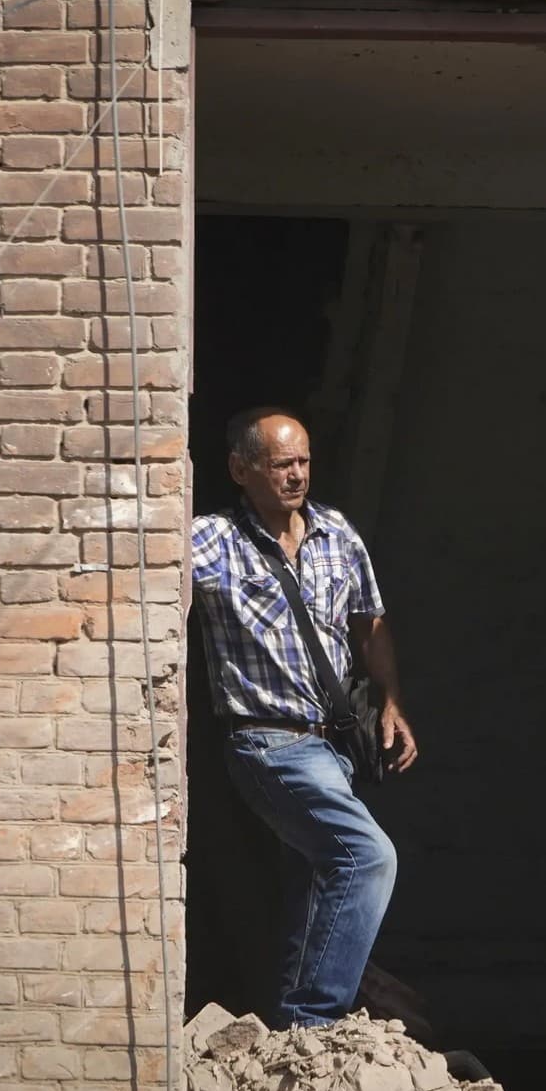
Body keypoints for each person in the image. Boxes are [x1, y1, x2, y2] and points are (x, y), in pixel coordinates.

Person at [189, 406, 418, 1028]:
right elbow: (137, 571)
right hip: (267, 743)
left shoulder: (337, 532)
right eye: (280, 463)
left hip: (334, 748)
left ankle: (290, 1024)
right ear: (241, 469)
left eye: (303, 461)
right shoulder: (209, 541)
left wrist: (391, 699)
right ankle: (316, 1020)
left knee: (317, 884)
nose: (296, 475)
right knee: (366, 856)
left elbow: (369, 622)